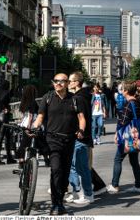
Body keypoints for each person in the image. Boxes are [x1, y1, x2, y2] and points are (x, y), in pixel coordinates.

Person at [30, 73, 86, 215]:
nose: (58, 83)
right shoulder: (47, 98)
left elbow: (81, 118)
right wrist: (34, 127)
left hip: (69, 140)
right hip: (52, 139)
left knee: (65, 173)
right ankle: (55, 203)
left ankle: (60, 201)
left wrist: (81, 130)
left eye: (62, 81)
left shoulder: (74, 100)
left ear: (67, 83)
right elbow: (40, 117)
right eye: (56, 81)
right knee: (56, 170)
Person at [106, 80, 140, 195]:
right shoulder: (136, 102)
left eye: (122, 89)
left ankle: (114, 185)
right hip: (135, 135)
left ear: (126, 91)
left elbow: (122, 122)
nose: (121, 91)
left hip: (127, 137)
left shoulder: (128, 105)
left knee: (118, 159)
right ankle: (138, 185)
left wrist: (117, 134)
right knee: (134, 161)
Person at [66, 73, 94, 205]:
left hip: (80, 137)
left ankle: (88, 194)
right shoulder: (82, 96)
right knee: (73, 166)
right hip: (76, 136)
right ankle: (76, 192)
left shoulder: (79, 98)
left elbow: (82, 118)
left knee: (82, 167)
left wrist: (81, 131)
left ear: (77, 83)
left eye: (70, 81)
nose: (68, 83)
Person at [0, 80, 14, 165]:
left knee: (5, 136)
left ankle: (9, 157)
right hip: (4, 117)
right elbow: (7, 104)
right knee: (4, 137)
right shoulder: (7, 93)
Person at [16, 84, 40, 162]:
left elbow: (24, 115)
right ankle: (26, 158)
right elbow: (31, 116)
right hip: (31, 124)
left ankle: (21, 158)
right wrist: (29, 127)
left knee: (25, 141)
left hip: (24, 124)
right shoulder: (33, 102)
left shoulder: (24, 102)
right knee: (30, 141)